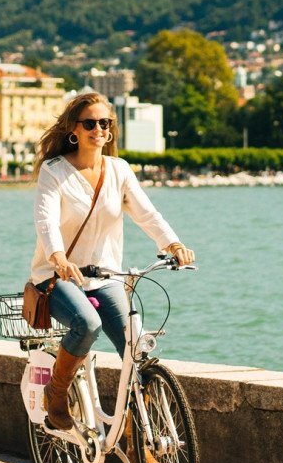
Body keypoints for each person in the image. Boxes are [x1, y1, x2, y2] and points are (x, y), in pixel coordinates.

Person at [29, 92, 194, 431]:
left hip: (106, 277)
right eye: (90, 123)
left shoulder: (118, 170)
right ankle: (56, 392)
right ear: (74, 129)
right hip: (58, 277)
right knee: (87, 324)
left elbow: (147, 213)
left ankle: (141, 441)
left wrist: (173, 243)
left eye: (105, 123)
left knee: (136, 351)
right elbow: (45, 220)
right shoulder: (54, 171)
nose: (99, 129)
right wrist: (58, 257)